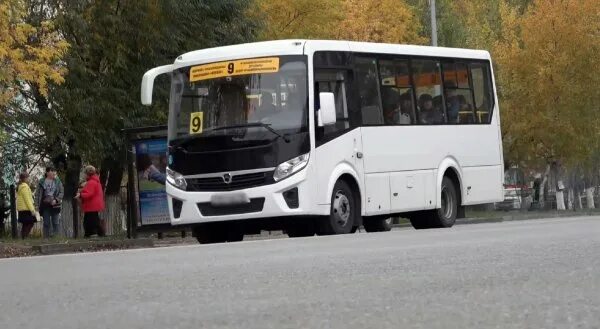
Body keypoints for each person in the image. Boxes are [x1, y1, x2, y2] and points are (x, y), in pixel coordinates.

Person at [76, 166, 105, 238]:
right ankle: (94, 233)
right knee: (93, 220)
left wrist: (80, 195)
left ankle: (92, 233)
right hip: (93, 204)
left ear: (88, 173)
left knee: (90, 220)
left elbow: (89, 193)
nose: (84, 175)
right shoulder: (95, 181)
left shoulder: (91, 182)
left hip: (92, 204)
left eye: (85, 173)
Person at [35, 166, 64, 238]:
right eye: (52, 171)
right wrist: (36, 205)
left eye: (54, 171)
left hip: (55, 204)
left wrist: (56, 200)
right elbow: (37, 194)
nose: (53, 173)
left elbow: (61, 192)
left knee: (55, 222)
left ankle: (56, 238)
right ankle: (46, 238)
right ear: (47, 172)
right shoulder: (41, 181)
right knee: (46, 223)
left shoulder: (57, 181)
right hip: (45, 205)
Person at [16, 172, 38, 239]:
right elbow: (27, 200)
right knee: (30, 223)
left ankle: (23, 237)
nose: (29, 179)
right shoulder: (25, 187)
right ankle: (24, 237)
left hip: (23, 209)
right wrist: (32, 210)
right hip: (26, 209)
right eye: (28, 177)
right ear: (25, 178)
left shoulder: (21, 186)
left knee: (26, 224)